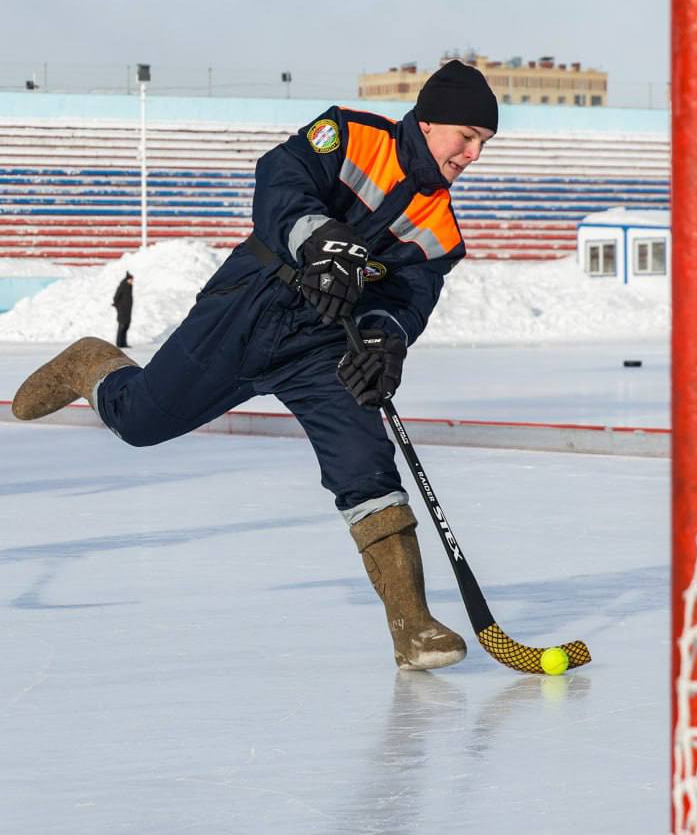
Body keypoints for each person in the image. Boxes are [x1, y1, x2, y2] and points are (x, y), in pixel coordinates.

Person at [11, 59, 498, 672]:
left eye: (483, 144)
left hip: (322, 347)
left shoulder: (442, 231)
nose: (474, 154)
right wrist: (319, 240)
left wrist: (382, 344)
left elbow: (407, 300)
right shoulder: (351, 135)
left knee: (366, 463)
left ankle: (412, 626)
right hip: (247, 310)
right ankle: (90, 362)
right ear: (429, 122)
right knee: (138, 423)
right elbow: (280, 179)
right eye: (468, 137)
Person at [112, 271, 133, 348]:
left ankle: (124, 343)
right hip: (122, 311)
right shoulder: (123, 286)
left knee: (125, 328)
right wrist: (119, 307)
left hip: (127, 312)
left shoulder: (129, 287)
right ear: (127, 279)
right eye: (131, 280)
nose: (132, 281)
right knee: (121, 327)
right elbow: (116, 298)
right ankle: (119, 344)